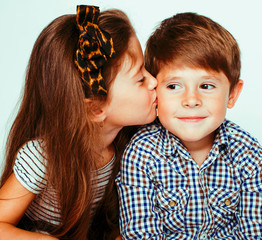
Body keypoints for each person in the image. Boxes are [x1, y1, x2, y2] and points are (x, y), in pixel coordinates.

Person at [0, 5, 157, 240]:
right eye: (140, 77)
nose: (155, 81)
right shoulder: (43, 158)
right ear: (96, 108)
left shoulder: (134, 148)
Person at [116, 12, 262, 239]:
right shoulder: (142, 154)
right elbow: (140, 232)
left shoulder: (248, 154)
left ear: (232, 94)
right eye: (174, 86)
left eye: (206, 86)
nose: (191, 100)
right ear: (155, 90)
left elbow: (256, 231)